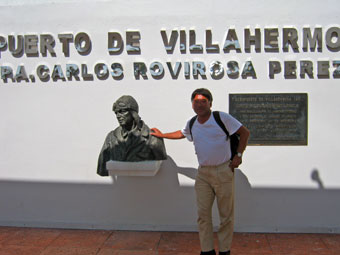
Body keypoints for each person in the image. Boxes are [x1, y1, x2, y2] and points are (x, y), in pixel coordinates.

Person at [151, 88, 250, 255]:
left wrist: (238, 155)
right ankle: (207, 250)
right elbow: (181, 134)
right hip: (203, 173)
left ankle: (224, 250)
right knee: (203, 215)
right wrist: (162, 135)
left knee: (226, 216)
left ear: (210, 103)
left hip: (223, 171)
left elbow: (244, 133)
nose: (199, 104)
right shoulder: (192, 123)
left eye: (203, 101)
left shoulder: (221, 118)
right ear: (192, 104)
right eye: (196, 101)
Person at [97, 95, 167, 176]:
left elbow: (161, 157)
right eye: (116, 113)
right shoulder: (111, 137)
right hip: (123, 183)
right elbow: (102, 165)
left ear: (133, 113)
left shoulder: (153, 137)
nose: (118, 116)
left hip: (144, 182)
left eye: (122, 111)